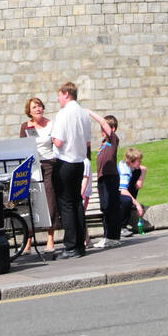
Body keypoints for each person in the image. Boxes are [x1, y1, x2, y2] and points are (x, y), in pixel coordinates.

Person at [49, 82, 94, 259]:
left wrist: (51, 138)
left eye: (59, 95)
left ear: (66, 94)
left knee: (66, 205)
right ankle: (79, 245)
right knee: (77, 202)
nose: (58, 99)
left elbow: (58, 142)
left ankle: (70, 246)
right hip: (79, 162)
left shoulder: (63, 114)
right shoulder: (83, 113)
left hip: (65, 162)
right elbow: (88, 143)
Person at [19, 95, 58, 254]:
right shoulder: (25, 126)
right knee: (31, 203)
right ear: (29, 111)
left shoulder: (50, 124)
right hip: (32, 166)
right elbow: (21, 147)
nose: (38, 109)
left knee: (49, 201)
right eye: (34, 107)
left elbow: (56, 143)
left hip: (49, 164)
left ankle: (50, 238)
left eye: (40, 106)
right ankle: (28, 240)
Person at [91, 113, 122, 250]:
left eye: (104, 129)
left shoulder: (113, 140)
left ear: (112, 129)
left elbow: (103, 122)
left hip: (110, 177)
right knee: (105, 207)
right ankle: (108, 236)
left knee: (111, 207)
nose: (102, 131)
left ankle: (113, 237)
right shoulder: (103, 144)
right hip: (103, 178)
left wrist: (90, 113)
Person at [118, 148, 149, 234]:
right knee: (127, 200)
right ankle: (121, 227)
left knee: (137, 172)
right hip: (115, 194)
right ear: (131, 162)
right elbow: (122, 190)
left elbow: (143, 168)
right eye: (138, 161)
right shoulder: (125, 171)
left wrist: (140, 179)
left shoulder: (131, 166)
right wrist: (137, 203)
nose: (140, 162)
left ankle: (131, 204)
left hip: (121, 190)